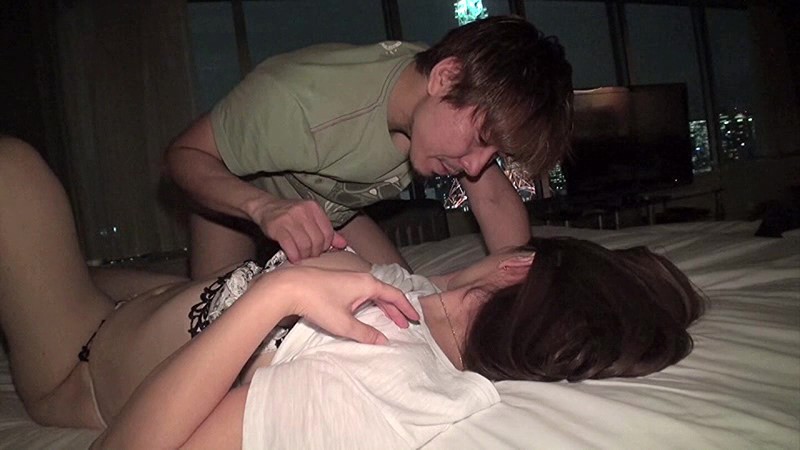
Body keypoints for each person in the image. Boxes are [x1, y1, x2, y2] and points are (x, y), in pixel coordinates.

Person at [0, 137, 703, 448]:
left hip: (83, 362)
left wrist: (280, 293)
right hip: (156, 302)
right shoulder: (423, 314)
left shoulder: (372, 386)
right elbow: (407, 285)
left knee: (11, 167)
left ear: (523, 276)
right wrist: (459, 280)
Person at [164, 15, 574, 279]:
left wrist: (521, 288)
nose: (474, 168)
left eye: (492, 154)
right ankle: (137, 288)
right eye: (481, 141)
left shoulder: (447, 91)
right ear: (445, 79)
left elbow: (495, 201)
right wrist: (262, 208)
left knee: (409, 303)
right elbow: (183, 156)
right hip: (236, 199)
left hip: (331, 207)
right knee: (214, 319)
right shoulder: (297, 103)